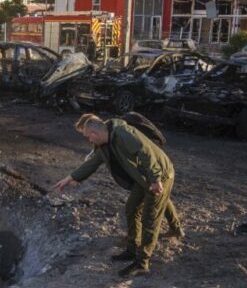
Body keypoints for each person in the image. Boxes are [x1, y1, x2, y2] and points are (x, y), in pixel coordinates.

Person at [54, 114, 178, 277]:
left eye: (88, 137)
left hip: (159, 175)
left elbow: (145, 152)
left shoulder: (122, 133)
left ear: (95, 133)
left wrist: (155, 179)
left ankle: (142, 263)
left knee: (150, 218)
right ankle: (132, 249)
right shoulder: (106, 142)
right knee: (131, 209)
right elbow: (93, 162)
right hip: (143, 176)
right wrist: (70, 178)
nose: (89, 141)